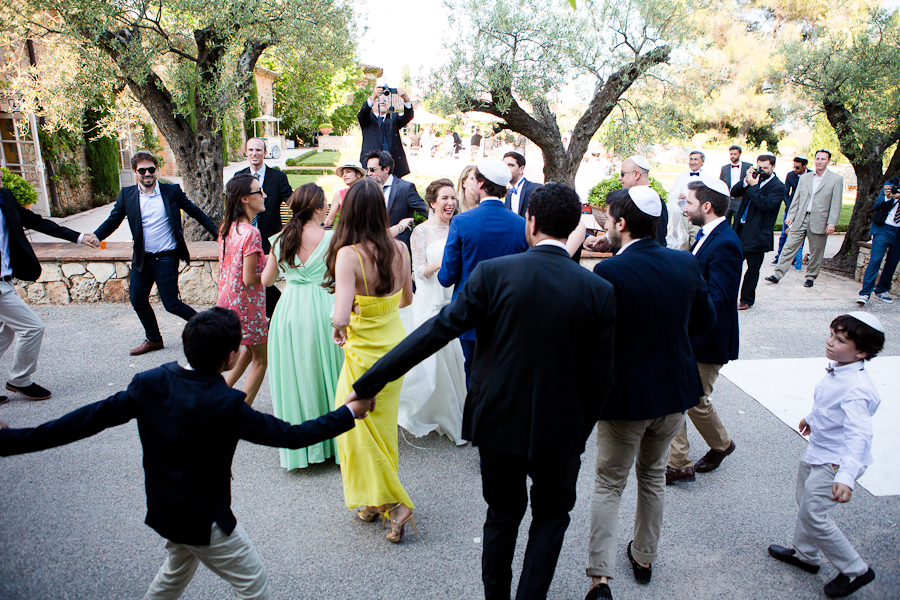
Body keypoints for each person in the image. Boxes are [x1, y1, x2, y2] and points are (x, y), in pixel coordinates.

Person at [347, 183, 616, 600]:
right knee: (551, 518)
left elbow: (435, 333)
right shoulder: (598, 290)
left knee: (502, 516)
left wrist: (368, 382)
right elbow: (601, 376)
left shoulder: (494, 274)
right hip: (561, 429)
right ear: (572, 229)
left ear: (530, 224)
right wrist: (579, 432)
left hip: (497, 420)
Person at [0, 307, 372, 600]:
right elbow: (292, 436)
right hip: (202, 519)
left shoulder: (150, 382)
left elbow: (82, 422)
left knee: (176, 569)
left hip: (167, 508)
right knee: (253, 582)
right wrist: (348, 413)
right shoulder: (227, 404)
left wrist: (12, 440)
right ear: (231, 358)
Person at [586, 186, 715, 600]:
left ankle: (600, 577)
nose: (605, 224)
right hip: (674, 390)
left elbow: (595, 339)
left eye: (607, 218)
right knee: (653, 476)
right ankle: (644, 558)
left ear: (621, 224)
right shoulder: (684, 263)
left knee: (609, 483)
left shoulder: (609, 272)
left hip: (626, 396)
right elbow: (704, 321)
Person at [323, 177, 416, 543]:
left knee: (354, 426)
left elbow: (341, 316)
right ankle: (373, 500)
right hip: (395, 349)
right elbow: (406, 300)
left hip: (363, 353)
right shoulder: (401, 250)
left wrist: (338, 325)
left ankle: (395, 504)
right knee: (381, 429)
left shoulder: (348, 254)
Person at [767, 312, 883, 599]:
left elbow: (860, 435)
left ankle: (856, 569)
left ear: (863, 353)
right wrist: (811, 417)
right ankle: (806, 556)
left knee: (814, 513)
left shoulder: (858, 388)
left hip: (836, 461)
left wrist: (846, 475)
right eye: (831, 334)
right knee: (804, 501)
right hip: (819, 449)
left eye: (840, 340)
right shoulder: (839, 368)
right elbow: (830, 407)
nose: (830, 342)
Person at [93, 151, 218, 355]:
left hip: (166, 257)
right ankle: (154, 339)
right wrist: (96, 236)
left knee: (171, 304)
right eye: (142, 170)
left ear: (156, 170)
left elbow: (195, 212)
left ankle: (210, 330)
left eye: (151, 169)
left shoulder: (171, 191)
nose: (148, 174)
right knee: (137, 300)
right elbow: (113, 220)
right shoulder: (127, 195)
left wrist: (216, 232)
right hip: (142, 259)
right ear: (135, 172)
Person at [261, 184, 345, 469]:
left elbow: (266, 281)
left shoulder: (280, 239)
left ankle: (304, 446)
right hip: (325, 305)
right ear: (320, 207)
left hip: (292, 309)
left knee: (298, 373)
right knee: (331, 373)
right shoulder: (333, 238)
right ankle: (336, 444)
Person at [666, 177, 742, 485]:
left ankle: (720, 446)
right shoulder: (709, 235)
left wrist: (682, 319)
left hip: (706, 340)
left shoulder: (725, 243)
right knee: (680, 397)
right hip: (692, 338)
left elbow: (719, 300)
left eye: (690, 203)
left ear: (706, 207)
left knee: (693, 400)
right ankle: (679, 462)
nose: (684, 208)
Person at [0, 171, 99, 402]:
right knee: (33, 327)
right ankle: (20, 380)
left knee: (4, 334)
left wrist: (78, 236)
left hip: (6, 280)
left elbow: (37, 222)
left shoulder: (4, 197)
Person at [438, 157, 528, 381]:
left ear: (480, 184)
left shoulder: (462, 222)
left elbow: (446, 277)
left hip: (471, 315)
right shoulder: (521, 225)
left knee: (473, 376)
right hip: (509, 315)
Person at [398, 179, 467, 444]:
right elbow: (419, 272)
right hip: (430, 298)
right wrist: (445, 260)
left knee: (457, 355)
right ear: (432, 202)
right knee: (433, 357)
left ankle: (459, 409)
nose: (450, 203)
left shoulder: (460, 227)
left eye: (453, 198)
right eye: (445, 198)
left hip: (455, 296)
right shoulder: (421, 232)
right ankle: (434, 410)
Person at [216, 174, 268, 406]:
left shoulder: (227, 228)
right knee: (261, 360)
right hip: (247, 304)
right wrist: (274, 273)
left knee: (247, 352)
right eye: (259, 191)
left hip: (227, 300)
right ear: (245, 199)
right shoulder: (251, 233)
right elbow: (250, 278)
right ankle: (240, 412)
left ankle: (216, 399)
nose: (264, 195)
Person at [235, 137, 293, 318]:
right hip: (245, 240)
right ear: (246, 152)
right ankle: (273, 316)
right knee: (254, 280)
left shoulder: (278, 177)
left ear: (265, 153)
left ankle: (272, 316)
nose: (254, 153)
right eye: (251, 150)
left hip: (269, 239)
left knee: (266, 281)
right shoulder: (239, 177)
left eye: (258, 150)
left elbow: (292, 202)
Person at [767, 150, 843, 288]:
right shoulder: (805, 177)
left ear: (828, 161)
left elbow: (836, 203)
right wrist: (791, 216)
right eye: (817, 158)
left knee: (816, 251)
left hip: (820, 220)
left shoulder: (835, 179)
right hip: (801, 218)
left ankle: (810, 277)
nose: (819, 161)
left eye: (823, 159)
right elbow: (796, 199)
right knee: (789, 247)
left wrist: (832, 223)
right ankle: (777, 274)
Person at [731, 152, 785, 309]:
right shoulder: (753, 179)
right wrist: (746, 180)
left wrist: (754, 187)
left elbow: (766, 205)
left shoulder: (778, 186)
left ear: (773, 166)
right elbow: (734, 193)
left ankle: (746, 299)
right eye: (759, 167)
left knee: (752, 269)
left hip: (758, 234)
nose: (761, 170)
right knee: (732, 265)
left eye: (765, 168)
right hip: (740, 231)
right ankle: (727, 295)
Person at [584, 156, 667, 251]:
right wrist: (607, 237)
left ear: (636, 174)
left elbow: (657, 240)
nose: (619, 178)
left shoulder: (652, 202)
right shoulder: (628, 198)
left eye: (622, 174)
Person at [364, 150, 428, 251]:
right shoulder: (367, 189)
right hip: (373, 245)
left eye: (372, 169)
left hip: (399, 245)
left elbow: (426, 210)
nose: (369, 173)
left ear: (386, 169)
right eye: (367, 170)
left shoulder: (405, 188)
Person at [857, 180, 899, 305]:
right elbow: (876, 206)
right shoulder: (893, 183)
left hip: (899, 232)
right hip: (884, 229)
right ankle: (864, 293)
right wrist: (887, 197)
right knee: (875, 260)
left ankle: (881, 290)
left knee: (892, 263)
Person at [358, 85, 414, 178]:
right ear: (372, 105)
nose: (382, 102)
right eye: (378, 100)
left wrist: (406, 99)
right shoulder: (367, 119)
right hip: (372, 166)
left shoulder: (393, 118)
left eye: (384, 100)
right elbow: (361, 114)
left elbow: (408, 116)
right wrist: (373, 96)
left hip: (392, 165)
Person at [773, 155, 809, 269]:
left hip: (804, 208)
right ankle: (780, 257)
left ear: (805, 165)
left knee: (800, 234)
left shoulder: (811, 175)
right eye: (794, 167)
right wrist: (789, 206)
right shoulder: (790, 175)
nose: (795, 170)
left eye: (798, 167)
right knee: (785, 233)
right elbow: (785, 192)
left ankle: (795, 259)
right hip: (790, 208)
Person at [666, 149, 705, 249]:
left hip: (696, 217)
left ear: (702, 162)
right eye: (691, 159)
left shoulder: (707, 178)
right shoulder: (681, 176)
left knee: (696, 245)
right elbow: (673, 194)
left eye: (695, 159)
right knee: (681, 246)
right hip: (682, 217)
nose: (692, 162)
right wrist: (677, 196)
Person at [324, 161, 366, 228]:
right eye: (343, 173)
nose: (344, 175)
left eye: (348, 171)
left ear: (358, 174)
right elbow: (329, 219)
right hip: (346, 233)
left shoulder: (368, 192)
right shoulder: (339, 194)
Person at [720, 144, 752, 225]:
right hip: (728, 200)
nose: (732, 156)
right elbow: (721, 183)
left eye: (735, 154)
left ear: (739, 154)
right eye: (731, 154)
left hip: (740, 199)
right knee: (725, 223)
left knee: (738, 224)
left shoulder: (748, 166)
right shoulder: (724, 168)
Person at [503, 151, 541, 217]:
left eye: (511, 165)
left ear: (521, 169)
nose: (506, 169)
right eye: (504, 166)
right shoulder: (508, 194)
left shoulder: (535, 189)